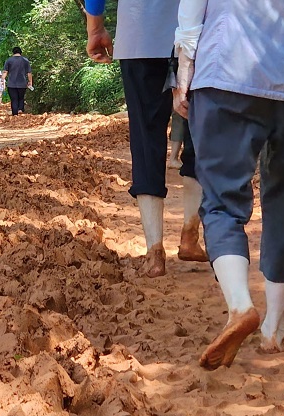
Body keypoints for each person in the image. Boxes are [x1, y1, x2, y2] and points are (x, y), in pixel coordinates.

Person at [174, 0, 284, 370]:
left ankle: (240, 307)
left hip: (226, 71)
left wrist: (184, 67)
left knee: (223, 200)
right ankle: (274, 327)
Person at [85, 0, 208, 278]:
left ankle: (155, 252)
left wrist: (96, 27)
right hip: (199, 38)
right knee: (199, 133)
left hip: (140, 36)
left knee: (146, 138)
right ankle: (190, 234)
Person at [2, 47, 32, 116]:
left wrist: (2, 80)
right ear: (20, 52)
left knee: (14, 99)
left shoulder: (9, 60)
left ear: (13, 52)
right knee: (21, 98)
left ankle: (15, 114)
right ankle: (20, 109)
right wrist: (30, 82)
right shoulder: (25, 60)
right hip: (22, 83)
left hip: (11, 84)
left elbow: (5, 72)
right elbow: (29, 73)